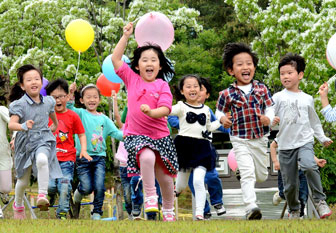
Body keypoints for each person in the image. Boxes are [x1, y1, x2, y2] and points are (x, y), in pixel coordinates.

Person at [111, 22, 178, 222]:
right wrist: (125, 36)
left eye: (154, 60)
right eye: (145, 60)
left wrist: (152, 112)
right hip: (135, 136)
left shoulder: (162, 85)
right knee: (146, 158)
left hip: (160, 137)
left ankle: (168, 211)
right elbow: (115, 59)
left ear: (160, 65)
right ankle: (150, 197)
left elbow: (166, 109)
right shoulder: (132, 80)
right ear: (138, 65)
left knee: (166, 178)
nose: (149, 63)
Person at [215, 43, 275, 220]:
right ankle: (251, 206)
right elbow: (219, 111)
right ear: (231, 70)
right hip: (239, 138)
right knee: (248, 173)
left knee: (262, 176)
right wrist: (222, 119)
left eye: (249, 63)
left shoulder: (262, 89)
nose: (245, 67)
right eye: (239, 64)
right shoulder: (227, 93)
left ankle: (243, 172)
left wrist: (269, 119)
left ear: (254, 67)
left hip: (260, 138)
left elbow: (270, 107)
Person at [271, 53, 332, 219]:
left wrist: (322, 138)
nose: (285, 76)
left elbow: (314, 122)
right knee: (289, 186)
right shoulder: (278, 97)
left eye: (289, 73)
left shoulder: (307, 99)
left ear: (300, 75)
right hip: (284, 146)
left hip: (304, 142)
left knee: (309, 166)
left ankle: (320, 201)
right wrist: (271, 120)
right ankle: (294, 209)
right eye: (282, 74)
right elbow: (268, 115)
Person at [168, 77, 228, 219]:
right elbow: (168, 113)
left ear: (205, 94)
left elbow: (210, 126)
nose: (194, 90)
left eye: (197, 87)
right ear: (182, 91)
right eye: (189, 87)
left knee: (199, 180)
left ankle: (202, 212)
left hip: (203, 149)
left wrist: (222, 121)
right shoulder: (181, 106)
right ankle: (171, 199)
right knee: (182, 184)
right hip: (185, 149)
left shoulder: (206, 110)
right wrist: (152, 110)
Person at [8, 64, 62, 219]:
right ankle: (18, 204)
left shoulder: (49, 101)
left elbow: (51, 113)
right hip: (25, 142)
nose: (34, 82)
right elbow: (12, 124)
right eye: (29, 80)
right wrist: (23, 126)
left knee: (42, 159)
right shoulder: (19, 104)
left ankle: (42, 195)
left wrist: (56, 125)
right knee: (23, 181)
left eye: (37, 79)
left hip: (42, 138)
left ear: (41, 82)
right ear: (23, 86)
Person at [68, 83, 123, 220]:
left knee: (99, 186)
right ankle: (79, 192)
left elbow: (116, 133)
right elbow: (68, 108)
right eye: (88, 97)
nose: (92, 100)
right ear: (81, 100)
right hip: (83, 157)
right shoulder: (80, 114)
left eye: (95, 97)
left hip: (99, 158)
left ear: (99, 99)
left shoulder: (104, 119)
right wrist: (70, 93)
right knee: (87, 187)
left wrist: (131, 134)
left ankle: (97, 212)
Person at [45, 79, 90, 220]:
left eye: (61, 96)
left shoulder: (73, 116)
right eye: (54, 97)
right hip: (50, 160)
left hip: (67, 160)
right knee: (51, 186)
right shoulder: (45, 115)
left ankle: (62, 213)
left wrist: (83, 149)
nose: (58, 100)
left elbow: (82, 134)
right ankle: (50, 195)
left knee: (65, 185)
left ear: (67, 97)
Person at [112, 91, 161, 220]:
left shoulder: (144, 131)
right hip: (124, 167)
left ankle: (144, 211)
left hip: (138, 166)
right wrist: (115, 101)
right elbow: (117, 117)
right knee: (127, 195)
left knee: (138, 185)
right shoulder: (124, 129)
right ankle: (131, 214)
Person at [271, 137, 327, 218]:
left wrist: (316, 160)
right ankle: (280, 195)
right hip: (286, 169)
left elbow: (307, 153)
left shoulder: (302, 136)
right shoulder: (284, 134)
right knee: (286, 193)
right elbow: (272, 146)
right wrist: (275, 162)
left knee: (303, 196)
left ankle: (298, 214)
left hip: (301, 170)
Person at [0, 106, 13, 219]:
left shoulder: (1, 110)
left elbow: (13, 123)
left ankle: (2, 192)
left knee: (6, 188)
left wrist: (14, 138)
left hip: (3, 153)